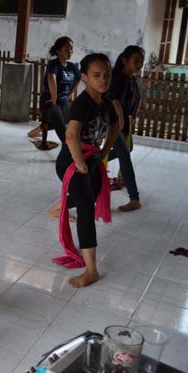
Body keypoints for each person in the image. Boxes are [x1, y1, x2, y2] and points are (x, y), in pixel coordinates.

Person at [53, 53, 119, 288]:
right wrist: (81, 165)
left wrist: (105, 150)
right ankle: (91, 270)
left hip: (90, 160)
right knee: (86, 207)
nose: (103, 79)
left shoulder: (105, 102)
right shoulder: (82, 103)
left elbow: (115, 125)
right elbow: (71, 136)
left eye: (107, 74)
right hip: (73, 162)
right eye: (97, 75)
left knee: (88, 195)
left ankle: (60, 205)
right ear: (85, 77)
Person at [107, 46, 144, 212]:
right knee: (125, 155)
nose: (140, 64)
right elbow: (114, 101)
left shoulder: (131, 79)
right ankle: (134, 198)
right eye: (136, 61)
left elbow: (135, 99)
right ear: (125, 61)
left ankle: (96, 158)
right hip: (116, 123)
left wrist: (132, 117)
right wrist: (120, 122)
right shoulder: (120, 79)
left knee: (127, 149)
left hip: (125, 122)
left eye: (141, 61)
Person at [34, 36, 81, 149]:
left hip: (63, 101)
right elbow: (51, 78)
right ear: (58, 51)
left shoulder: (72, 66)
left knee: (74, 124)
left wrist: (69, 95)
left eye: (71, 49)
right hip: (50, 100)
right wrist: (54, 99)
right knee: (61, 128)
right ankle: (69, 149)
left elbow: (78, 78)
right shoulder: (53, 64)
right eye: (66, 49)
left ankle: (72, 148)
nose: (70, 51)